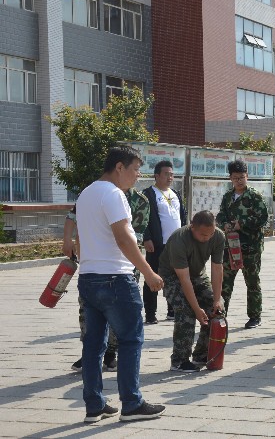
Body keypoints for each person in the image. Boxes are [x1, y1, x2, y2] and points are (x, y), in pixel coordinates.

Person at [75, 146, 165, 423]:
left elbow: (80, 237)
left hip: (88, 277)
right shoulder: (114, 194)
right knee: (130, 340)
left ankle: (94, 405)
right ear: (119, 167)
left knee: (93, 345)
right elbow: (124, 239)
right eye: (136, 169)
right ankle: (132, 404)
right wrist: (149, 272)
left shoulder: (86, 193)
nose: (138, 176)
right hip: (115, 278)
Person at [66, 186, 150, 373]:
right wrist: (67, 239)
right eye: (134, 169)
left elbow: (133, 238)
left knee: (119, 314)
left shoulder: (140, 201)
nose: (136, 175)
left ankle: (111, 353)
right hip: (93, 266)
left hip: (124, 266)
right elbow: (73, 216)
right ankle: (90, 355)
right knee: (87, 313)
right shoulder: (95, 193)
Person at [159, 210, 225, 372]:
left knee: (216, 310)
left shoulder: (218, 236)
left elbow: (217, 268)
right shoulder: (179, 239)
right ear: (192, 227)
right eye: (203, 235)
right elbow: (184, 279)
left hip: (197, 273)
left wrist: (217, 299)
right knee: (186, 311)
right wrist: (196, 309)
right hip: (172, 276)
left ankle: (202, 354)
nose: (207, 238)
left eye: (210, 233)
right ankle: (179, 360)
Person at [217, 160, 271, 329]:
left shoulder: (255, 196)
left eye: (242, 177)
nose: (239, 181)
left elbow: (263, 218)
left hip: (251, 247)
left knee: (252, 282)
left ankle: (255, 316)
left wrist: (243, 223)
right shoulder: (227, 196)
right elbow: (220, 215)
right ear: (230, 179)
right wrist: (223, 224)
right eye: (235, 178)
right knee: (225, 282)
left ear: (247, 176)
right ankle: (220, 316)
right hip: (230, 247)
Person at [143, 160, 187, 324]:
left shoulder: (175, 193)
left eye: (171, 174)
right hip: (156, 244)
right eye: (166, 174)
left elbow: (183, 218)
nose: (170, 177)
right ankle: (150, 314)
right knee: (152, 277)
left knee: (175, 278)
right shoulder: (148, 194)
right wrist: (147, 238)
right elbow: (143, 219)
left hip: (176, 245)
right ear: (157, 176)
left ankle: (172, 310)